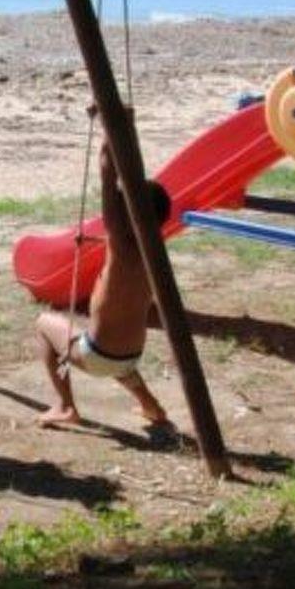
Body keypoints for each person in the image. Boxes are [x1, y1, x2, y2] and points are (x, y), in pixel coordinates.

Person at [33, 139, 175, 440]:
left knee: (44, 323)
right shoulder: (154, 249)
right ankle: (151, 406)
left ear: (127, 215)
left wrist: (109, 133)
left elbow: (107, 173)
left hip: (99, 356)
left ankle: (65, 406)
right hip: (131, 355)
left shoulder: (119, 241)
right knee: (115, 355)